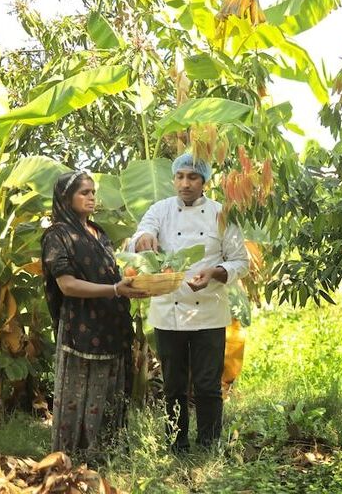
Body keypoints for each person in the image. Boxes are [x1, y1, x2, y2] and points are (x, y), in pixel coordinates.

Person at [127, 153, 249, 452]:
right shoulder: (161, 209)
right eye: (180, 177)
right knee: (174, 386)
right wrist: (143, 239)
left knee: (208, 385)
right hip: (169, 311)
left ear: (204, 181)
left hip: (209, 312)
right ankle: (176, 444)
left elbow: (240, 262)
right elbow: (140, 235)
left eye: (192, 177)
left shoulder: (222, 214)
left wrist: (215, 272)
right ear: (173, 179)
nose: (185, 183)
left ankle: (209, 444)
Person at [41, 170, 148, 457]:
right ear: (66, 198)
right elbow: (67, 285)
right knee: (80, 391)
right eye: (83, 193)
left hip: (110, 324)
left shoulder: (99, 232)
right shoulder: (57, 236)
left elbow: (112, 274)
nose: (91, 197)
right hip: (81, 328)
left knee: (109, 389)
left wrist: (131, 287)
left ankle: (108, 451)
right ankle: (74, 454)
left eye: (92, 192)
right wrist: (114, 290)